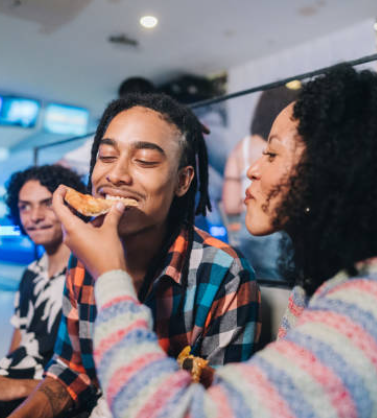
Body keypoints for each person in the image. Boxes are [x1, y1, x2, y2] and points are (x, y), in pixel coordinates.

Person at [48, 64, 377, 418]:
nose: (251, 168)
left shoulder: (362, 309)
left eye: (271, 153)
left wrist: (111, 276)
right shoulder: (314, 288)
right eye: (106, 156)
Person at [9, 93, 260, 418]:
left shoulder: (224, 274)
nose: (116, 175)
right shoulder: (83, 255)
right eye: (106, 156)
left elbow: (220, 408)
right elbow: (73, 372)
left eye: (144, 161)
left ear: (182, 181)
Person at [0, 165, 86, 417]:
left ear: (69, 207)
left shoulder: (86, 272)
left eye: (47, 204)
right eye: (25, 206)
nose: (34, 216)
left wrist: (18, 387)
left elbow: (90, 374)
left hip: (55, 392)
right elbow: (18, 348)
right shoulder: (32, 273)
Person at [222, 85, 300, 282]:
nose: (253, 171)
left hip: (249, 233)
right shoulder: (292, 143)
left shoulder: (244, 147)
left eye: (272, 155)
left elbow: (230, 204)